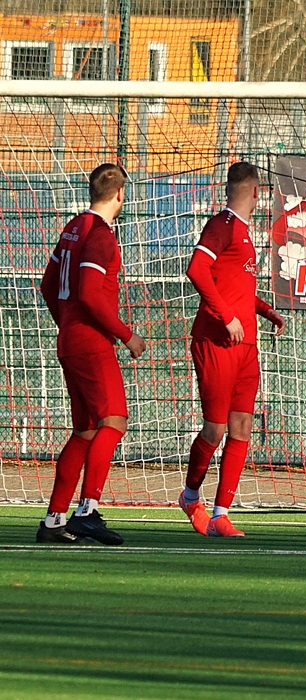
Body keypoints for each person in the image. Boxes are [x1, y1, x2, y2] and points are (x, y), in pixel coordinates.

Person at [37, 163, 146, 545]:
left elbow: (48, 286)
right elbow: (88, 293)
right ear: (120, 194)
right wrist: (127, 335)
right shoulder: (100, 234)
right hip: (91, 342)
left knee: (84, 431)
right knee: (114, 421)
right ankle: (86, 511)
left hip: (71, 339)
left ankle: (54, 519)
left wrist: (66, 323)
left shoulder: (73, 227)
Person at [177, 162, 286, 538]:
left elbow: (234, 287)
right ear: (256, 191)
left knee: (241, 426)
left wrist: (266, 311)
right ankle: (191, 496)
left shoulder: (243, 233)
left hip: (245, 345)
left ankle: (221, 513)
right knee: (215, 429)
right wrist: (225, 317)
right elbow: (196, 269)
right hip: (216, 341)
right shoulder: (222, 225)